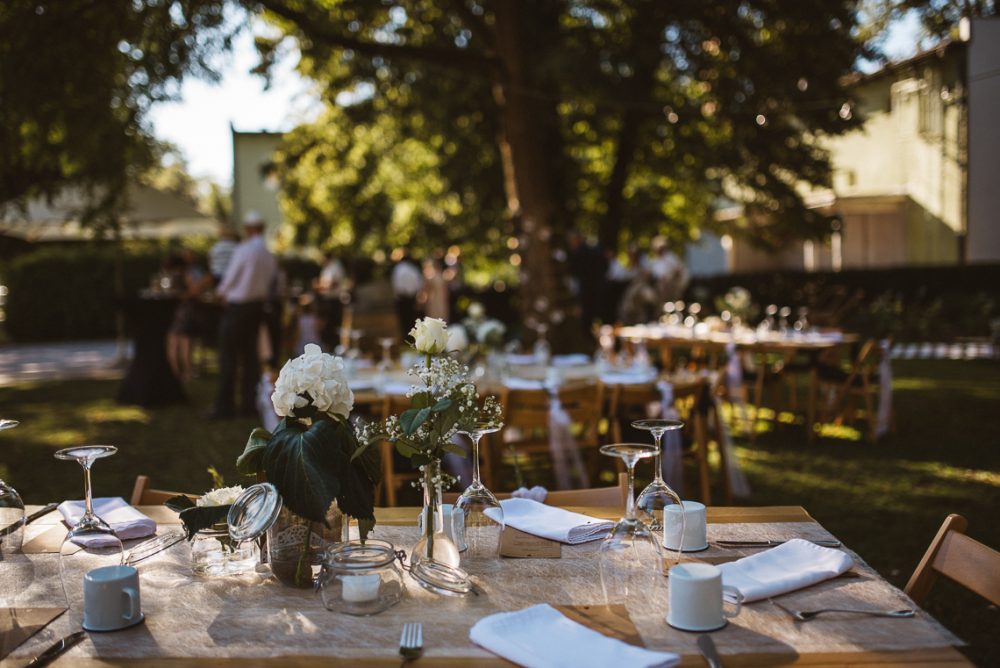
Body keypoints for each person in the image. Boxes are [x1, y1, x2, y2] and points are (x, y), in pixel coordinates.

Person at [210, 210, 278, 420]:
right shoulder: (269, 254)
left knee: (228, 358)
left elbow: (230, 278)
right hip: (256, 310)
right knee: (251, 359)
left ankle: (225, 407)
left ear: (248, 229)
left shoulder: (244, 250)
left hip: (237, 309)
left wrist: (219, 294)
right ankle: (248, 405)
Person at [166, 248, 211, 382]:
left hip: (177, 311)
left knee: (174, 341)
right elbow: (193, 291)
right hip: (186, 310)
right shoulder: (186, 273)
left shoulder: (172, 274)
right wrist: (202, 284)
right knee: (184, 342)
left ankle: (175, 372)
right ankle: (187, 372)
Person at [390, 250, 423, 338]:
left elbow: (397, 285)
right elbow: (419, 284)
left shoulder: (398, 268)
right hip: (412, 298)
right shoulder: (413, 268)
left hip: (403, 298)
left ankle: (406, 340)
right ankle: (413, 339)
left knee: (404, 322)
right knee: (412, 321)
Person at [646, 236, 688, 303]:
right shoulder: (654, 261)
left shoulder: (670, 258)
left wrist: (669, 278)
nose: (658, 250)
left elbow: (678, 270)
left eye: (660, 248)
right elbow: (651, 274)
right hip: (657, 285)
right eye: (656, 248)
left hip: (670, 284)